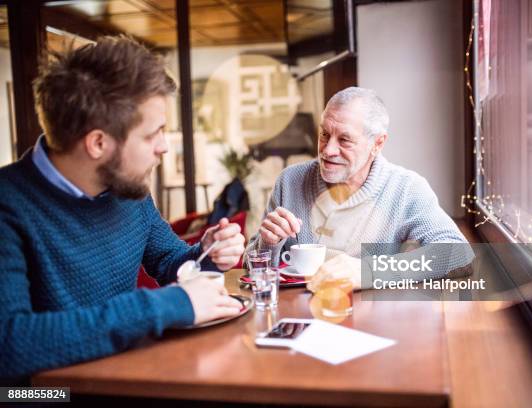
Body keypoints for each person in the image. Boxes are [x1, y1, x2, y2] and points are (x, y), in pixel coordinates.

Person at [0, 36, 245, 383]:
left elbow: (171, 262)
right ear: (98, 143)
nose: (164, 147)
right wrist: (166, 306)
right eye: (153, 134)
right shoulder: (8, 204)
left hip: (126, 379)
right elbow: (10, 344)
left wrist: (207, 254)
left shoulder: (128, 188)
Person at [246, 87, 472, 291]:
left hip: (372, 322)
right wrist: (268, 243)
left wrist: (368, 271)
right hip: (298, 318)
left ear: (378, 144)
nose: (328, 150)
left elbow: (458, 255)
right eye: (324, 134)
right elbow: (250, 265)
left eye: (344, 140)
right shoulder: (289, 181)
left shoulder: (406, 188)